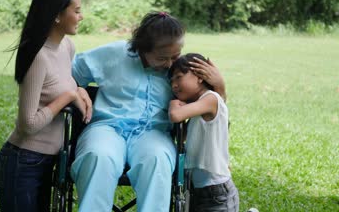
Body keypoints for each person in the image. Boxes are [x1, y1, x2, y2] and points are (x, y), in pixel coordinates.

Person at [70, 11, 226, 211]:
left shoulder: (180, 72)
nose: (170, 64)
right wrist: (78, 87)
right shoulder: (114, 54)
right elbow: (68, 73)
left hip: (154, 132)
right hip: (106, 127)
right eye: (163, 58)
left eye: (175, 56)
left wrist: (219, 86)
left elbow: (209, 106)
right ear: (143, 49)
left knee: (156, 159)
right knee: (98, 156)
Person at [0, 0, 91, 212]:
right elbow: (27, 124)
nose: (81, 16)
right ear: (57, 15)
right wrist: (68, 96)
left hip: (49, 161)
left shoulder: (67, 47)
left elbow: (60, 82)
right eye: (76, 11)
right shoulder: (38, 57)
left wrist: (78, 89)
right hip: (23, 162)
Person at [168, 53, 239, 212]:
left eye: (179, 77)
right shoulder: (199, 107)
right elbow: (183, 137)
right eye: (171, 81)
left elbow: (175, 115)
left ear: (200, 76)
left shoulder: (211, 99)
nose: (174, 85)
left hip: (216, 192)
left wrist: (174, 103)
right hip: (199, 190)